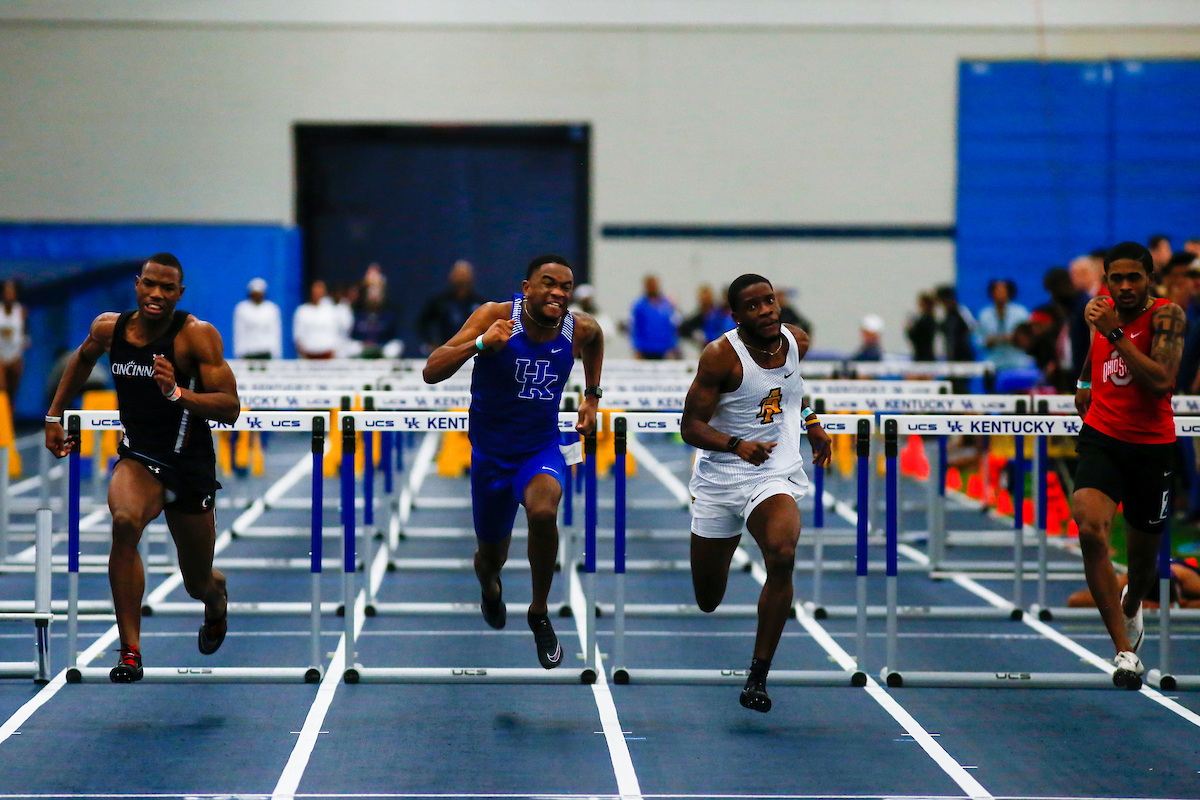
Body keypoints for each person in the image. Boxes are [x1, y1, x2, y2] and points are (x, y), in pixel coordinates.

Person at [44, 253, 239, 683]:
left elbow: (230, 408)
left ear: (179, 293)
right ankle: (130, 650)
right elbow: (81, 359)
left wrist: (176, 393)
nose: (156, 294)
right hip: (140, 458)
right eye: (149, 284)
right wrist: (54, 415)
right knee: (126, 521)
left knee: (197, 580)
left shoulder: (197, 337)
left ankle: (216, 600)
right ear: (137, 284)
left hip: (189, 465)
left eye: (167, 288)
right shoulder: (108, 328)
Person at [422, 254, 603, 669]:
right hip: (490, 457)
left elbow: (595, 340)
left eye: (566, 286)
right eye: (548, 283)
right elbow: (432, 370)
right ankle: (490, 588)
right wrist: (481, 344)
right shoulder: (494, 315)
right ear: (526, 289)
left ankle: (539, 611)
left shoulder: (578, 327)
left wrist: (592, 398)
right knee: (490, 559)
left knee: (544, 509)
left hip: (539, 448)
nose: (558, 292)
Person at [680, 273, 832, 713]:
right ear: (736, 315)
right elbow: (689, 427)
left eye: (769, 301)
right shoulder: (720, 357)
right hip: (720, 479)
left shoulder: (795, 341)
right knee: (708, 598)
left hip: (772, 472)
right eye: (753, 305)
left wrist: (812, 423)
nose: (765, 310)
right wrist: (736, 445)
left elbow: (793, 389)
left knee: (782, 552)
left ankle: (758, 677)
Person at [1072, 241, 1186, 688]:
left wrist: (1116, 332)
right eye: (1115, 279)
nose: (1124, 286)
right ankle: (1123, 652)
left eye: (1133, 278)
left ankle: (1133, 601)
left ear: (1149, 278)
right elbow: (1098, 345)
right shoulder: (1102, 311)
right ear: (1105, 280)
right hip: (1102, 437)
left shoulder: (1166, 315)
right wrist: (1084, 378)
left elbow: (1161, 382)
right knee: (1089, 526)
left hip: (1150, 446)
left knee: (1141, 565)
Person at [417, 260, 486, 355]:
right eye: (458, 274)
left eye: (464, 274)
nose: (461, 278)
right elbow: (423, 323)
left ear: (471, 276)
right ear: (452, 276)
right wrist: (431, 342)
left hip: (473, 351)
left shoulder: (479, 303)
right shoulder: (441, 302)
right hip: (447, 351)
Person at [975, 279, 1031, 371]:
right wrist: (987, 342)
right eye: (997, 291)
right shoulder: (984, 314)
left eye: (1003, 291)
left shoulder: (1021, 313)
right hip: (993, 364)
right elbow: (977, 339)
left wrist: (1015, 339)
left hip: (1017, 364)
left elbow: (1028, 337)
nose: (1000, 295)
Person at [629, 274, 680, 359]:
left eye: (654, 285)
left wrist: (673, 347)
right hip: (645, 349)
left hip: (664, 350)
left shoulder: (667, 305)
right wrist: (636, 348)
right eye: (649, 285)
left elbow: (672, 327)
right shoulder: (639, 306)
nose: (652, 287)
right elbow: (635, 328)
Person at [232, 277, 282, 360]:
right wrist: (239, 353)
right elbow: (239, 332)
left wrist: (276, 354)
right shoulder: (242, 308)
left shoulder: (271, 309)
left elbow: (275, 332)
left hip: (266, 351)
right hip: (248, 352)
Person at [292, 280, 343, 359]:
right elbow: (298, 335)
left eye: (320, 290)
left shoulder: (331, 310)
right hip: (309, 355)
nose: (317, 293)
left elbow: (337, 333)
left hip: (327, 355)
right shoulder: (302, 311)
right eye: (315, 290)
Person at [0, 280, 27, 411]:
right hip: (0, 356)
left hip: (16, 356)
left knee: (12, 393)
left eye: (11, 292)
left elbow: (25, 332)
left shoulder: (21, 311)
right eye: (7, 292)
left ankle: (10, 424)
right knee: (2, 389)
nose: (9, 295)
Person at [905, 291, 937, 362]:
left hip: (923, 357)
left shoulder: (925, 321)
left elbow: (914, 336)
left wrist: (909, 327)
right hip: (923, 355)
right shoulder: (929, 319)